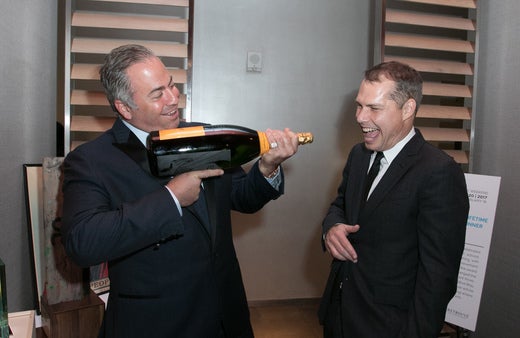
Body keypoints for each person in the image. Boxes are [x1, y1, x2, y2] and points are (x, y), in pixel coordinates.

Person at [61, 44, 301, 338]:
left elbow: (242, 197)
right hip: (156, 323)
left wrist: (267, 168)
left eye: (171, 85)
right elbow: (83, 243)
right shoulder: (92, 160)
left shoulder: (204, 134)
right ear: (125, 107)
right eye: (157, 93)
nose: (174, 99)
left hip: (225, 316)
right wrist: (171, 199)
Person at [318, 61, 469, 338]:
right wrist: (332, 227)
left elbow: (438, 278)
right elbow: (340, 205)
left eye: (374, 108)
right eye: (359, 105)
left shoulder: (439, 172)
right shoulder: (358, 155)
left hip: (387, 327)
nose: (360, 117)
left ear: (408, 109)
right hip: (338, 316)